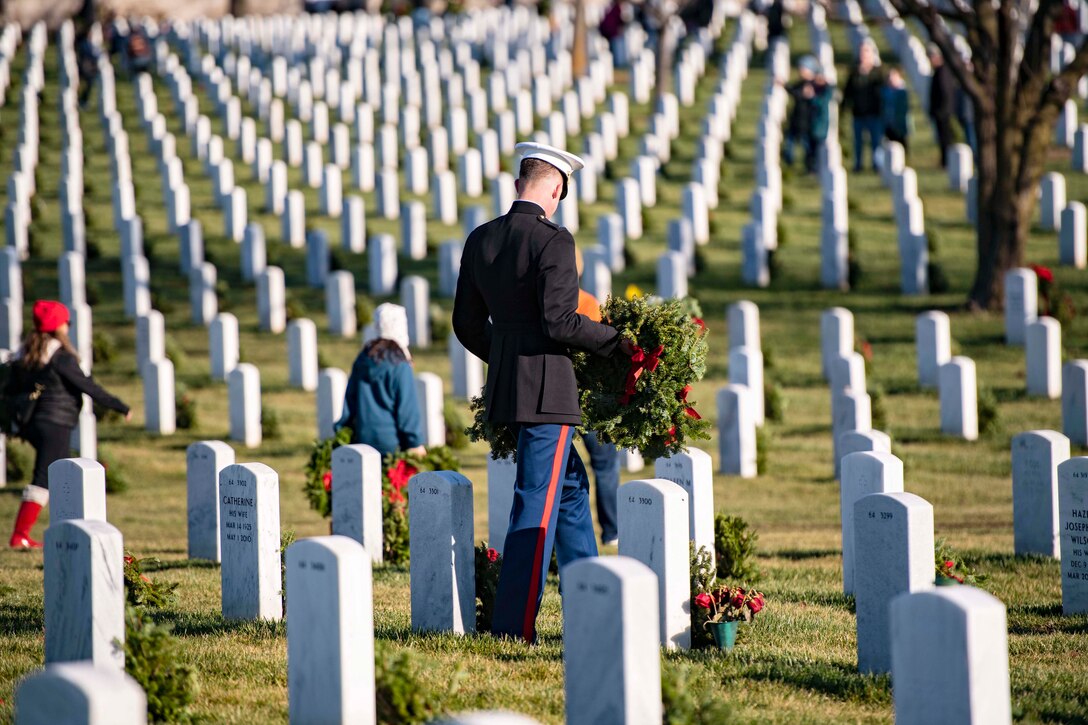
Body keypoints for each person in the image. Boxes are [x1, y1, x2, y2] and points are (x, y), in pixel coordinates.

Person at [453, 142, 632, 643]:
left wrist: (508, 357)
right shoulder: (553, 241)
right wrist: (616, 343)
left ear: (518, 185)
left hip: (510, 390)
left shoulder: (481, 239)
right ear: (556, 189)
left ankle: (592, 603)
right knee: (535, 500)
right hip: (549, 392)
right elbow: (560, 321)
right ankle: (513, 625)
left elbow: (466, 324)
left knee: (571, 490)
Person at [8, 301, 132, 549]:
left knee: (60, 474)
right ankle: (20, 535)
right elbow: (88, 386)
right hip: (54, 423)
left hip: (31, 423)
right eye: (66, 322)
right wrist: (120, 406)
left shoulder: (29, 353)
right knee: (44, 477)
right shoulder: (60, 357)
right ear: (59, 326)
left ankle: (68, 526)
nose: (68, 326)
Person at [334, 303, 426, 460]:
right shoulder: (400, 364)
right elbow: (407, 409)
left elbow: (350, 401)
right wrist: (415, 442)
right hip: (393, 446)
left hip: (362, 442)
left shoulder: (363, 359)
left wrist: (342, 432)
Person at [573, 249, 620, 547]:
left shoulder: (542, 301)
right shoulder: (587, 303)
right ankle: (611, 530)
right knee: (604, 464)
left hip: (554, 394)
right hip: (590, 397)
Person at [842, 39, 884, 172]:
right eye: (861, 52)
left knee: (876, 142)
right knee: (858, 142)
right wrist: (843, 110)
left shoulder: (878, 73)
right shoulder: (854, 73)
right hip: (858, 113)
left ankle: (876, 165)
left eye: (866, 52)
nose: (863, 55)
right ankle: (858, 165)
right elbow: (847, 93)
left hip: (874, 113)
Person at [783, 56, 817, 170]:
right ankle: (788, 164)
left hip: (807, 122)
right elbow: (794, 90)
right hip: (796, 120)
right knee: (789, 144)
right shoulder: (800, 84)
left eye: (803, 69)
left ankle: (810, 167)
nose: (801, 71)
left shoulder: (814, 85)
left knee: (807, 146)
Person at [928, 44, 957, 168]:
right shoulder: (940, 71)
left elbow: (944, 92)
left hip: (943, 112)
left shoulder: (943, 72)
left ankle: (947, 161)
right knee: (943, 138)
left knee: (945, 138)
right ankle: (945, 160)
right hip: (942, 111)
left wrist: (941, 110)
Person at [881, 66, 912, 153]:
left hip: (901, 123)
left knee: (902, 145)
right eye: (890, 77)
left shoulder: (902, 92)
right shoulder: (884, 92)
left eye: (894, 76)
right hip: (889, 123)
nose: (891, 79)